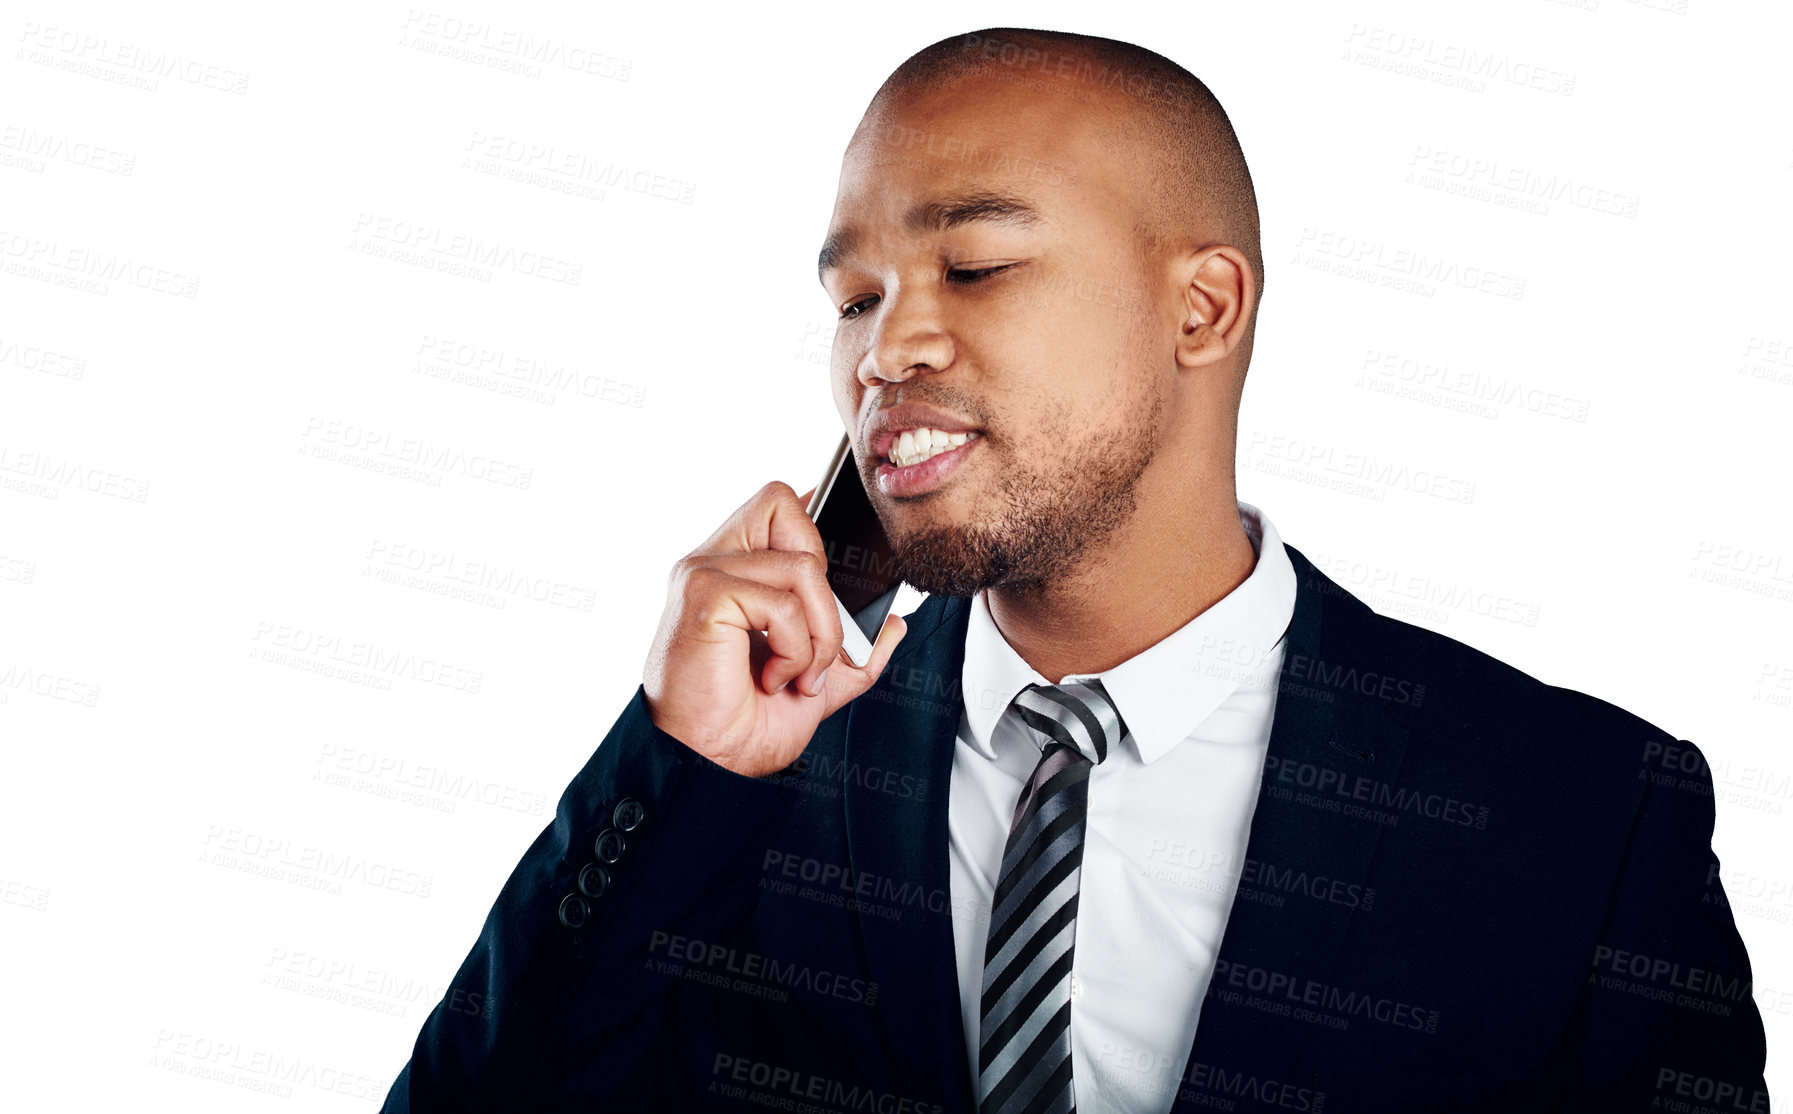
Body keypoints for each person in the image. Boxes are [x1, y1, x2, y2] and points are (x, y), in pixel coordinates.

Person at [379, 27, 1768, 1114]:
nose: (886, 350)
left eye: (972, 267)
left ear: (1202, 305)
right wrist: (676, 759)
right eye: (852, 298)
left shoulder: (1579, 816)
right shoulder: (739, 777)